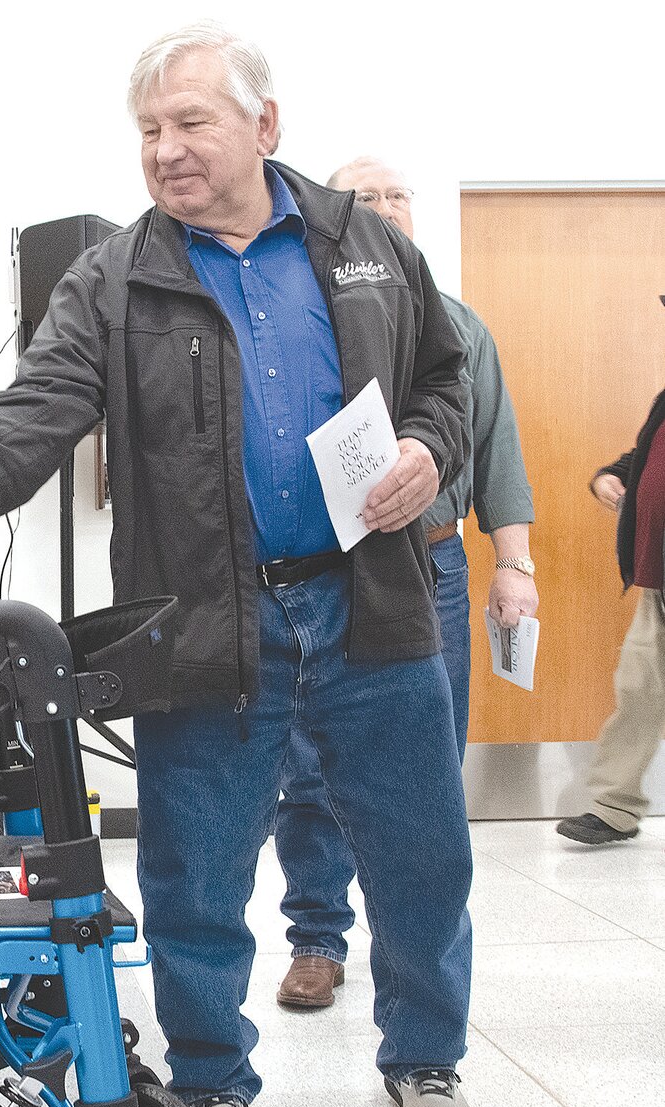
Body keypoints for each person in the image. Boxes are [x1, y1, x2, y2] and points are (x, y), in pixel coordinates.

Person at [0, 22, 478, 1107]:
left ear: (265, 126)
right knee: (194, 868)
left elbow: (442, 380)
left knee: (420, 849)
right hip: (205, 616)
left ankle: (425, 1056)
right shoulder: (116, 277)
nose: (166, 150)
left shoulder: (365, 247)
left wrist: (433, 452)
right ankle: (213, 1084)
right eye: (149, 131)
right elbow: (34, 411)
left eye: (192, 122)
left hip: (369, 606)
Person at [271, 156, 538, 1011]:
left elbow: (497, 452)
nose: (384, 209)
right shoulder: (301, 316)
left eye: (397, 196)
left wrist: (516, 566)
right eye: (365, 199)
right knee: (310, 765)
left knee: (423, 768)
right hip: (334, 573)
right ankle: (316, 935)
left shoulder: (458, 325)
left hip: (436, 562)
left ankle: (414, 950)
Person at [556, 366, 665, 845]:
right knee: (639, 689)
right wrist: (611, 476)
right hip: (656, 578)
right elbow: (645, 459)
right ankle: (615, 807)